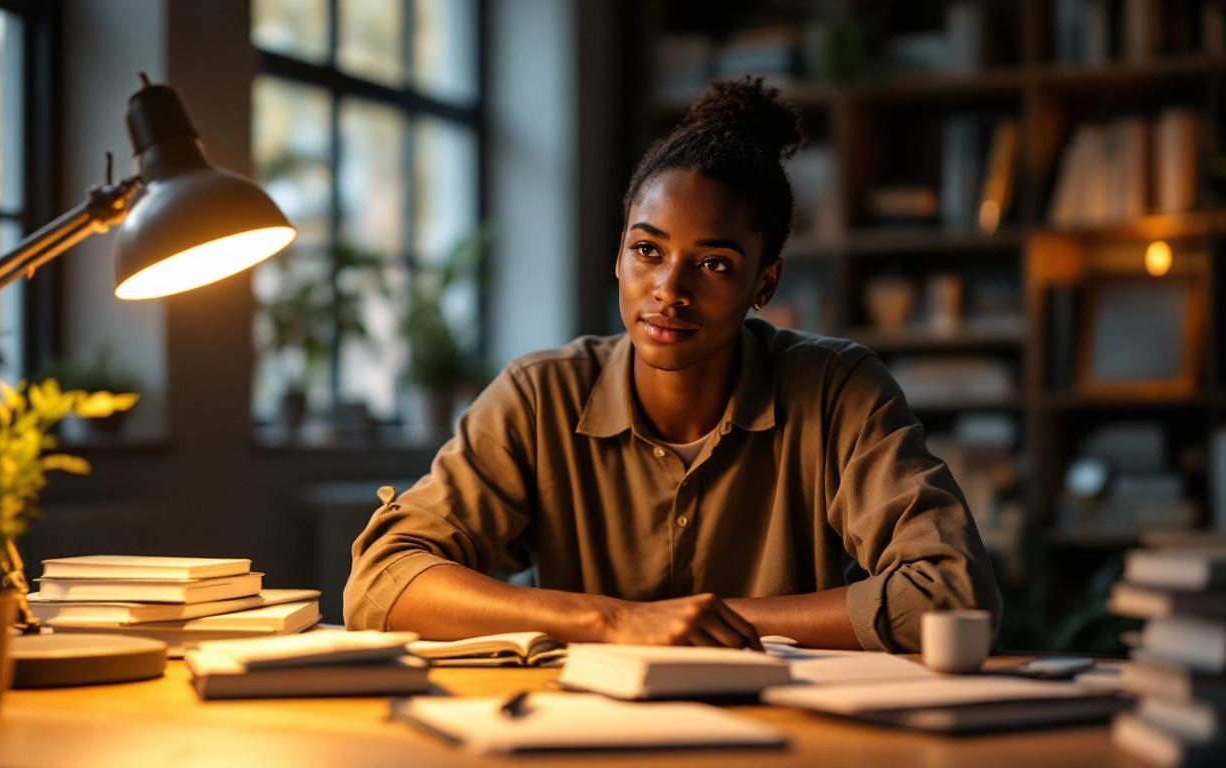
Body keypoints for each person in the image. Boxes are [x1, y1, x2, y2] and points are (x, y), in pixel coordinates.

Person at [345, 76, 1000, 652]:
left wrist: (707, 624)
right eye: (647, 250)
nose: (669, 290)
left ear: (764, 284)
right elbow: (383, 582)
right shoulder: (538, 396)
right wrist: (613, 621)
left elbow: (951, 592)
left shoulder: (837, 391)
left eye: (714, 264)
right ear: (619, 255)